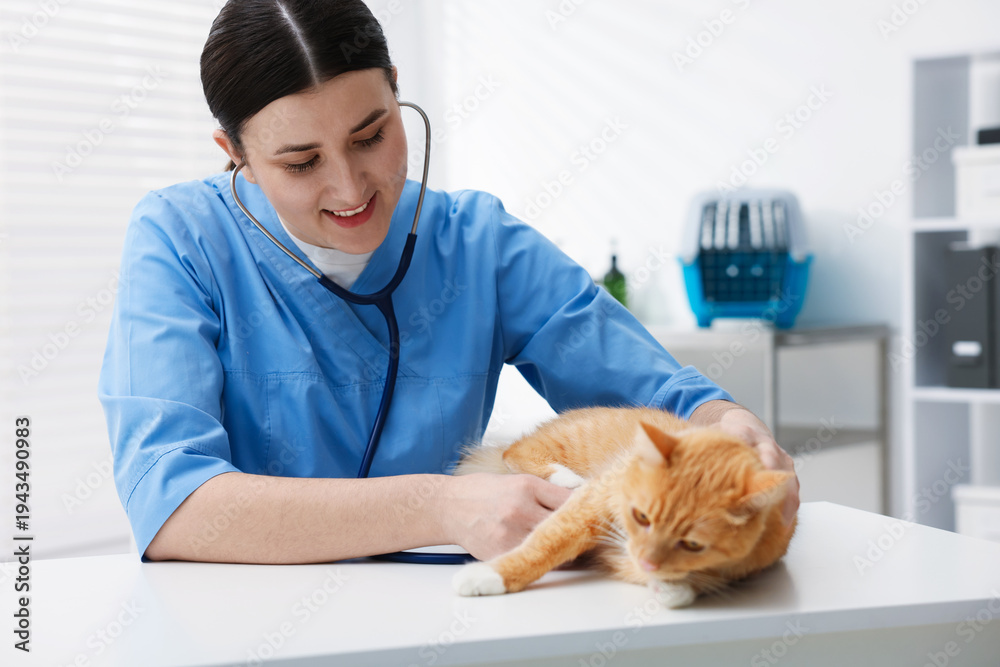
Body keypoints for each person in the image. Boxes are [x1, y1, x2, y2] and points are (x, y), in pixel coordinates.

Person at [98, 0, 798, 564]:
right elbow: (173, 505)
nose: (350, 188)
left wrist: (735, 433)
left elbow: (668, 403)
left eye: (371, 135)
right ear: (237, 155)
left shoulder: (477, 244)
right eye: (302, 162)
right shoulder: (179, 239)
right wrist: (442, 506)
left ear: (398, 89)